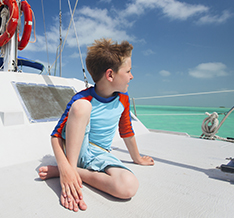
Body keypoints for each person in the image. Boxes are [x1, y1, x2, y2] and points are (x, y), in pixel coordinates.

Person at [38, 38, 154, 212]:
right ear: (110, 75)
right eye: (128, 71)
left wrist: (137, 158)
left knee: (128, 187)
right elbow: (56, 136)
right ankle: (70, 168)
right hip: (76, 152)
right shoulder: (82, 98)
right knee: (82, 107)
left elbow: (126, 130)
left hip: (99, 156)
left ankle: (73, 173)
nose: (132, 76)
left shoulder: (123, 99)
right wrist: (65, 165)